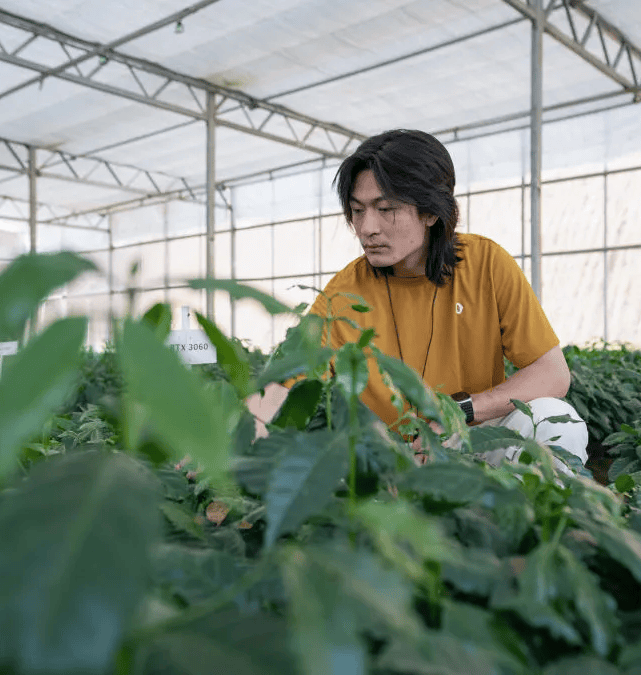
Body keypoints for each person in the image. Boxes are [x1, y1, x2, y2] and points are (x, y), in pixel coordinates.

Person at [247, 129, 588, 470]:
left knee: (555, 420)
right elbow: (279, 384)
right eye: (357, 210)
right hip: (394, 453)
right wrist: (230, 441)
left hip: (475, 433)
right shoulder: (344, 294)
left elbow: (552, 373)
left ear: (430, 212)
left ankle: (542, 520)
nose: (367, 227)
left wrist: (458, 411)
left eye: (386, 208)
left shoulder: (485, 263)